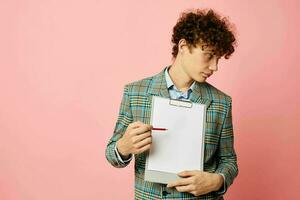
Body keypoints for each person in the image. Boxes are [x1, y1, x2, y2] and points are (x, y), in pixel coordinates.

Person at [105, 8, 238, 200]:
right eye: (209, 55)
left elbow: (228, 161)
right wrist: (123, 147)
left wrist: (217, 180)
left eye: (218, 59)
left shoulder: (221, 102)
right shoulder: (135, 93)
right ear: (183, 46)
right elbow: (112, 155)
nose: (214, 67)